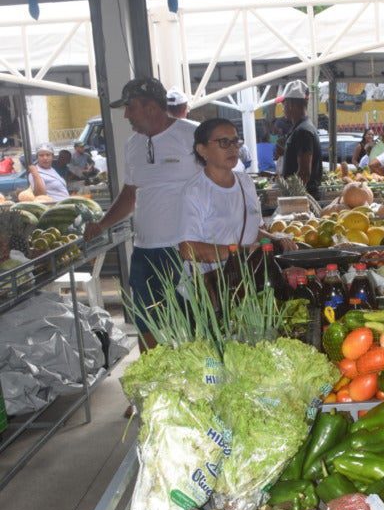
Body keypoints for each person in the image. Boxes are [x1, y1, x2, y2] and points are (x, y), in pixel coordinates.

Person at [83, 77, 198, 352]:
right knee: (147, 323)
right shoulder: (132, 145)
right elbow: (130, 194)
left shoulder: (193, 135)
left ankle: (203, 380)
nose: (125, 115)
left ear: (150, 107)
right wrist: (101, 224)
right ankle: (153, 383)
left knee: (195, 322)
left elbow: (217, 181)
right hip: (145, 251)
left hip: (184, 248)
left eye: (130, 107)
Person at [178, 118, 296, 274]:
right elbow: (188, 249)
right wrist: (240, 252)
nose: (233, 148)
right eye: (224, 142)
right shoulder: (195, 191)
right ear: (202, 150)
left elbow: (253, 230)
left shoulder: (245, 182)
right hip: (214, 282)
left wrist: (275, 240)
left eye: (235, 142)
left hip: (248, 276)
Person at [280, 79, 323, 198]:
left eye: (284, 104)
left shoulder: (303, 131)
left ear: (291, 104)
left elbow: (304, 173)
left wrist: (292, 198)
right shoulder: (302, 128)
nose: (283, 108)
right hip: (303, 196)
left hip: (303, 198)